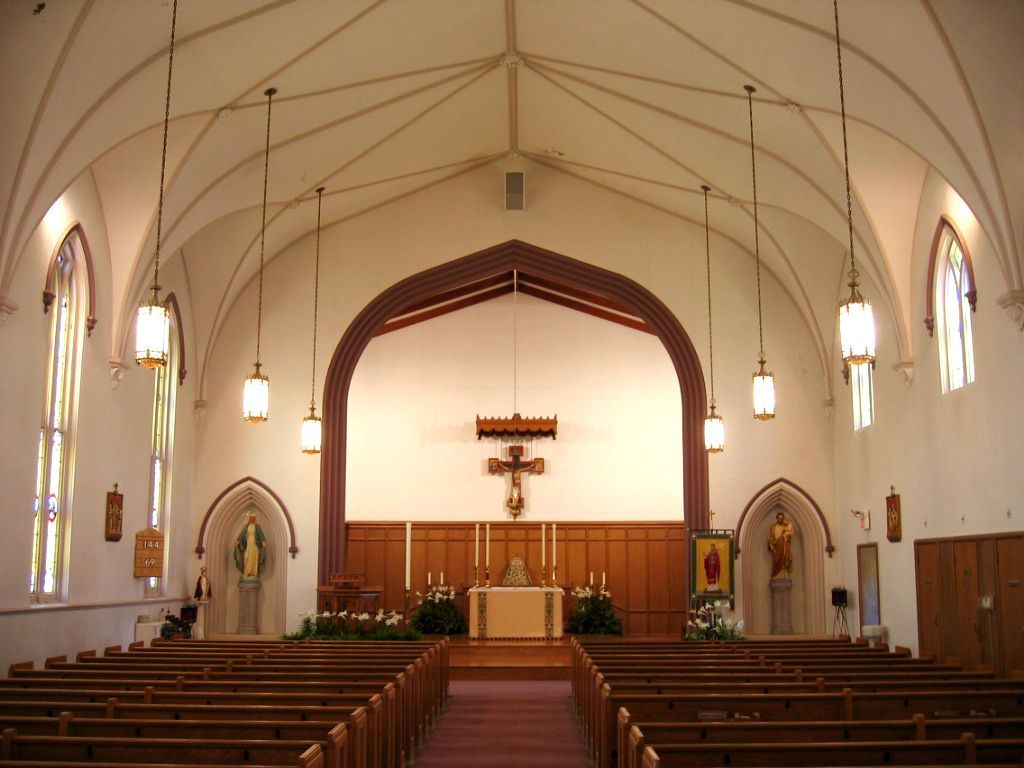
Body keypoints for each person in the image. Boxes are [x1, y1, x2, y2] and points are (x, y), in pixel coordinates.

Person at [233, 514, 267, 578]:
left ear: (255, 519)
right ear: (249, 519)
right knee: (247, 557)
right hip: (248, 544)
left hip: (255, 545)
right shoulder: (246, 526)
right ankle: (246, 572)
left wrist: (263, 541)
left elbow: (261, 534)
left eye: (253, 518)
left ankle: (254, 573)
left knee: (254, 557)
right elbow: (242, 535)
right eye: (251, 518)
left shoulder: (257, 527)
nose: (252, 519)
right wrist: (237, 541)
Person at [768, 512, 795, 578]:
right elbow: (770, 537)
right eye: (779, 518)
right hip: (776, 546)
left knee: (784, 559)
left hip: (784, 546)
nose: (780, 519)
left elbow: (789, 535)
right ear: (776, 518)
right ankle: (776, 575)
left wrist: (786, 536)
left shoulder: (785, 526)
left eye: (782, 518)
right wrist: (771, 545)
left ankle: (784, 575)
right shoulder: (772, 526)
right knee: (776, 562)